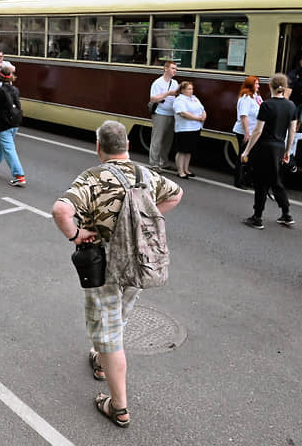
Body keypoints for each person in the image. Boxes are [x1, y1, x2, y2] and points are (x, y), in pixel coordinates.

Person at [51, 120, 182, 428]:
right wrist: (144, 219)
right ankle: (99, 359)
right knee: (119, 314)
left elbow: (61, 210)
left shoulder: (92, 178)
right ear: (127, 146)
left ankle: (119, 406)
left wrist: (77, 235)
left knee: (109, 333)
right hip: (139, 260)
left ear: (99, 147)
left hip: (105, 264)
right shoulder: (144, 174)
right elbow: (176, 193)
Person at [240, 73, 298, 229]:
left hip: (264, 147)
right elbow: (292, 131)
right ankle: (286, 213)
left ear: (270, 86)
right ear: (284, 88)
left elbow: (258, 131)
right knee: (276, 180)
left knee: (261, 183)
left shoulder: (266, 105)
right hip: (279, 147)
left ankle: (257, 217)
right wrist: (287, 150)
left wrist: (246, 150)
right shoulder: (291, 106)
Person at [148, 61, 178, 172]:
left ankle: (164, 162)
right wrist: (167, 94)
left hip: (171, 114)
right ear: (165, 69)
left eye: (175, 69)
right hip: (160, 113)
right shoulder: (158, 83)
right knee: (157, 139)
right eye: (173, 68)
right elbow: (153, 99)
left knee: (168, 140)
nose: (175, 71)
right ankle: (154, 163)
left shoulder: (175, 82)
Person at [172, 81, 206, 179]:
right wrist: (197, 118)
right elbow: (183, 113)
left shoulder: (194, 98)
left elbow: (202, 109)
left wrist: (203, 115)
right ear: (182, 90)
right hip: (184, 128)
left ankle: (186, 169)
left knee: (189, 150)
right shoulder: (179, 100)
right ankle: (180, 171)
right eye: (189, 89)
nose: (191, 91)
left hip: (195, 127)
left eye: (192, 89)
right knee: (182, 150)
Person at [232, 76, 262, 188]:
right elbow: (244, 116)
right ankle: (239, 180)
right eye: (256, 84)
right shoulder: (245, 98)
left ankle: (248, 179)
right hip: (244, 130)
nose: (258, 86)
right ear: (250, 85)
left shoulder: (256, 97)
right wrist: (247, 132)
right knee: (243, 155)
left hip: (254, 131)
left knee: (251, 156)